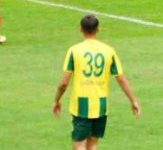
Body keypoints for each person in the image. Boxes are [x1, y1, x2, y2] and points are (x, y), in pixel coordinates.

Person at [53, 15, 140, 150]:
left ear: (80, 29)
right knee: (93, 144)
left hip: (81, 104)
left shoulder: (74, 50)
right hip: (101, 103)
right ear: (98, 29)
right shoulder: (108, 51)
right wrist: (133, 101)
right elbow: (121, 79)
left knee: (79, 144)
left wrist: (56, 100)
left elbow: (64, 83)